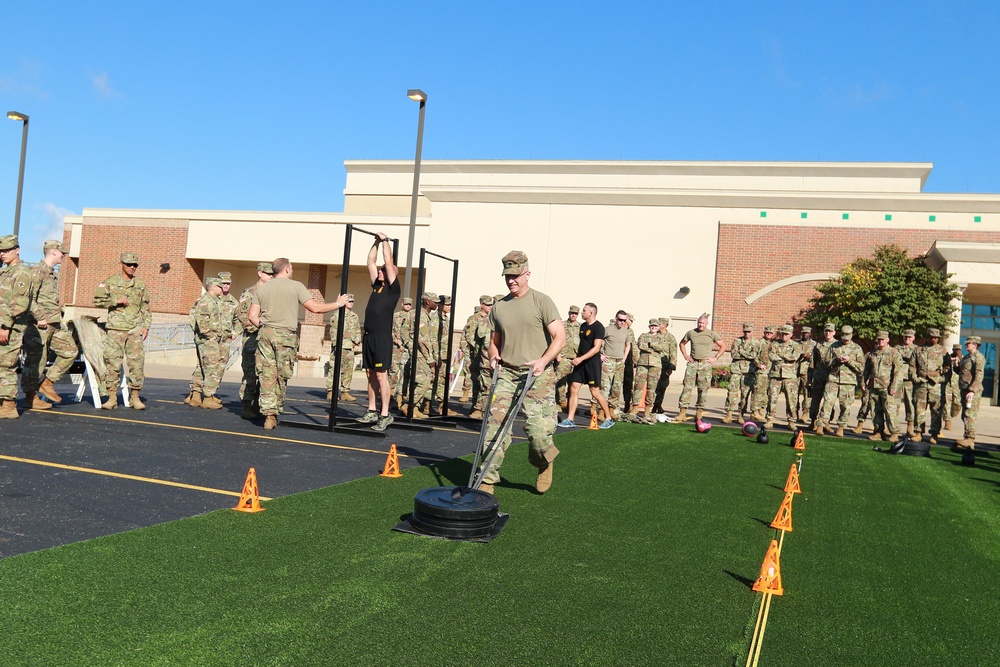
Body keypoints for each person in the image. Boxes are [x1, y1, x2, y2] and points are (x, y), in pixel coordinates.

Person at [476, 250, 565, 495]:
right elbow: (494, 340)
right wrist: (493, 356)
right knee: (494, 428)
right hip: (507, 375)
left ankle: (544, 462)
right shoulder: (499, 307)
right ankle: (487, 480)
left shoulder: (542, 301)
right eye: (507, 276)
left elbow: (560, 337)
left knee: (538, 433)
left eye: (516, 276)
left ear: (527, 274)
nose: (511, 280)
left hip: (538, 376)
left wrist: (544, 360)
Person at [248, 257, 350, 430]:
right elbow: (315, 308)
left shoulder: (262, 288)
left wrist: (267, 327)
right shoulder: (296, 286)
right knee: (281, 375)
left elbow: (252, 316)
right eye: (292, 268)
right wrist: (338, 304)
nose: (292, 270)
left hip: (265, 334)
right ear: (286, 269)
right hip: (285, 336)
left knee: (267, 374)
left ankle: (267, 412)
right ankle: (273, 415)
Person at [22, 240, 78, 410]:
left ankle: (47, 383)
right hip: (39, 325)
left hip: (54, 323)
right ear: (53, 252)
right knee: (36, 361)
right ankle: (31, 397)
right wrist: (39, 317)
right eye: (62, 253)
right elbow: (27, 298)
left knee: (70, 351)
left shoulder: (52, 274)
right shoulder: (37, 271)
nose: (64, 256)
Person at [94, 251, 151, 410]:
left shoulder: (140, 285)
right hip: (115, 330)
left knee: (137, 364)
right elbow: (97, 301)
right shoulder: (110, 282)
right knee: (112, 363)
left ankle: (135, 397)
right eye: (129, 264)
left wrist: (146, 326)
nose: (132, 267)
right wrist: (115, 301)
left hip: (134, 330)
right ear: (122, 264)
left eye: (135, 265)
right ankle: (112, 397)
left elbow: (146, 307)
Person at [355, 232, 400, 432]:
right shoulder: (376, 287)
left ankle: (385, 414)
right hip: (369, 337)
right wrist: (375, 242)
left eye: (384, 271)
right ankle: (371, 410)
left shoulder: (392, 289)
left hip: (382, 338)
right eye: (380, 271)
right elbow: (370, 262)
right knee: (370, 374)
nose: (380, 271)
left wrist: (385, 242)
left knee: (382, 376)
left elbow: (387, 261)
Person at [560, 303, 615, 429]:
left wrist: (581, 359)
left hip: (591, 363)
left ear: (591, 313)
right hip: (581, 363)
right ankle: (570, 419)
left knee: (594, 392)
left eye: (584, 311)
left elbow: (596, 348)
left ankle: (608, 418)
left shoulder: (598, 327)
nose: (581, 313)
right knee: (573, 388)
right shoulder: (583, 326)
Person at [235, 262, 274, 419]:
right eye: (268, 273)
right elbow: (244, 317)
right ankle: (246, 405)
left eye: (272, 274)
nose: (271, 276)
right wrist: (260, 327)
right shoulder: (250, 292)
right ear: (260, 273)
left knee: (264, 373)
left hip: (266, 338)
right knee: (250, 373)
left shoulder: (272, 292)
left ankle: (258, 405)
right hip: (253, 338)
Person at [0, 235, 33, 419]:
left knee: (6, 365)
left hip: (10, 327)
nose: (3, 254)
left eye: (7, 250)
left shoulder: (21, 273)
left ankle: (9, 405)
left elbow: (19, 304)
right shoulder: (6, 272)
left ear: (17, 250)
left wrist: (5, 326)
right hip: (3, 325)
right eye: (1, 251)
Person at [814, 325, 865, 437]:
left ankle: (841, 427)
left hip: (848, 382)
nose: (845, 338)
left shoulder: (857, 348)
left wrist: (849, 361)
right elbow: (826, 362)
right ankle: (821, 425)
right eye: (843, 336)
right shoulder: (833, 346)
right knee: (827, 403)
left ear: (851, 335)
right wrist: (836, 360)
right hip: (833, 379)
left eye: (847, 336)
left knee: (845, 406)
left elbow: (861, 367)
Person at [186, 278, 227, 409]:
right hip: (208, 340)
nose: (222, 289)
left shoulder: (212, 301)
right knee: (211, 368)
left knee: (205, 367)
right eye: (220, 287)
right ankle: (208, 398)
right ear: (213, 288)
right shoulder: (205, 302)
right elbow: (200, 322)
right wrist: (211, 336)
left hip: (209, 339)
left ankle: (199, 395)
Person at [676, 313, 724, 423]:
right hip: (693, 363)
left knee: (703, 389)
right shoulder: (691, 333)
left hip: (705, 365)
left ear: (707, 324)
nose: (701, 325)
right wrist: (686, 355)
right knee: (687, 387)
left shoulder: (712, 334)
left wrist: (715, 357)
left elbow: (723, 346)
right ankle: (682, 412)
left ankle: (699, 413)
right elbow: (682, 343)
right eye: (699, 323)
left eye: (703, 323)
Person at [864, 331, 905, 443]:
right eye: (879, 339)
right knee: (875, 410)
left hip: (887, 387)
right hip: (874, 386)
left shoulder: (893, 353)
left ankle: (895, 433)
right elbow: (867, 370)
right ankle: (878, 431)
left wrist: (894, 386)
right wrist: (863, 383)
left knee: (889, 410)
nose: (881, 341)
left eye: (883, 339)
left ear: (887, 340)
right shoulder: (873, 354)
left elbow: (898, 372)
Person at [913, 327, 948, 444]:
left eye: (937, 337)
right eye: (933, 337)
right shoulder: (918, 350)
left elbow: (948, 368)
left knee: (936, 410)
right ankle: (918, 433)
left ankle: (934, 434)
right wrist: (915, 378)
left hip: (935, 385)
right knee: (919, 409)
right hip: (921, 384)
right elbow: (912, 366)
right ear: (927, 337)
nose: (935, 339)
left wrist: (942, 379)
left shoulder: (943, 351)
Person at [409, 291, 440, 419]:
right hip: (421, 354)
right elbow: (422, 340)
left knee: (423, 381)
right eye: (435, 301)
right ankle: (409, 405)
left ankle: (414, 408)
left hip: (424, 354)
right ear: (428, 302)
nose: (437, 304)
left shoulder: (427, 316)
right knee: (424, 382)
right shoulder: (421, 316)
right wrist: (429, 358)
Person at [766, 325, 802, 430]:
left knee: (791, 400)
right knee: (772, 398)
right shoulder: (775, 343)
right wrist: (784, 356)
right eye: (782, 334)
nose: (784, 336)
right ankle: (769, 419)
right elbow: (771, 356)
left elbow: (794, 357)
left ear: (791, 335)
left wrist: (780, 356)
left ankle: (791, 421)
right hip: (775, 375)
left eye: (786, 334)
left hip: (789, 377)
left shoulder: (796, 345)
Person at [630, 318, 667, 421]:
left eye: (655, 326)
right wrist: (651, 348)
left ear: (658, 327)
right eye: (651, 326)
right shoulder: (643, 335)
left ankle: (647, 410)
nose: (653, 328)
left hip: (655, 365)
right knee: (638, 386)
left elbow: (662, 347)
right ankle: (635, 408)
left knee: (651, 388)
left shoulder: (661, 337)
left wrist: (651, 345)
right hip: (642, 363)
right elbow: (640, 344)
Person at [325, 293, 360, 401]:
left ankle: (345, 392)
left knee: (348, 370)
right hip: (340, 346)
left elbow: (357, 330)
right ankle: (331, 391)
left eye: (352, 301)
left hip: (349, 347)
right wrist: (336, 344)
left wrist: (356, 341)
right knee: (334, 369)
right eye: (349, 301)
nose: (351, 303)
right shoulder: (337, 314)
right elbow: (333, 330)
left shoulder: (355, 316)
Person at [599, 309, 632, 419]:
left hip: (619, 362)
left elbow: (628, 345)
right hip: (608, 361)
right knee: (605, 387)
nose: (622, 322)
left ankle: (611, 409)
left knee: (616, 388)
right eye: (620, 320)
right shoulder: (607, 330)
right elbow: (597, 341)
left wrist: (624, 358)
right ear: (615, 319)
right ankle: (601, 411)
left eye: (624, 320)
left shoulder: (626, 332)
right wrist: (601, 355)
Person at [956, 336, 986, 450]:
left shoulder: (978, 357)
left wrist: (972, 390)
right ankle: (966, 438)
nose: (966, 345)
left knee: (970, 414)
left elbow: (979, 376)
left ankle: (970, 439)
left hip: (972, 391)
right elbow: (962, 372)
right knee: (965, 414)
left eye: (969, 343)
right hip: (964, 389)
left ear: (975, 345)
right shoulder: (967, 357)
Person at [468, 295, 495, 420]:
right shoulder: (478, 320)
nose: (491, 307)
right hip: (482, 360)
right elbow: (473, 339)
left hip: (497, 362)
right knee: (481, 385)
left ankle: (489, 413)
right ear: (481, 304)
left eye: (492, 304)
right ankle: (478, 409)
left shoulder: (500, 320)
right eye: (488, 304)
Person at [723, 322, 756, 424]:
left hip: (748, 372)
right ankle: (729, 415)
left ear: (752, 332)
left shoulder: (756, 343)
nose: (746, 334)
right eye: (745, 332)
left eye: (749, 332)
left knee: (745, 395)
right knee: (731, 392)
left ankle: (741, 415)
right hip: (736, 371)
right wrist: (746, 355)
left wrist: (741, 352)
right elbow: (733, 354)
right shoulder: (737, 341)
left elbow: (753, 356)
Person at [808, 323, 837, 431]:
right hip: (819, 377)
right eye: (826, 331)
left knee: (829, 402)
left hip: (831, 378)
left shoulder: (837, 345)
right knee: (815, 400)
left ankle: (826, 423)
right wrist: (809, 378)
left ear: (834, 332)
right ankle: (813, 421)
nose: (828, 333)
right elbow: (813, 362)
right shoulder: (818, 345)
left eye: (830, 331)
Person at [555, 305, 581, 410]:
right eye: (571, 313)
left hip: (576, 358)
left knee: (573, 383)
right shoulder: (563, 325)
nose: (573, 315)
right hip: (564, 357)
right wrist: (557, 354)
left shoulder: (580, 327)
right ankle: (560, 402)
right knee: (560, 382)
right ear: (569, 313)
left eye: (575, 313)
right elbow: (556, 339)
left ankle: (570, 403)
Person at [390, 296, 414, 407]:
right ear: (402, 305)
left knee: (406, 373)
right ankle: (389, 395)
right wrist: (396, 341)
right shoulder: (395, 316)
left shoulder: (413, 316)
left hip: (407, 348)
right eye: (406, 304)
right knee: (393, 371)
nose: (408, 306)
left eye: (410, 304)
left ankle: (402, 396)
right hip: (396, 347)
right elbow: (390, 330)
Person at [651, 317, 678, 413]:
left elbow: (673, 353)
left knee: (662, 386)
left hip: (665, 365)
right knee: (653, 386)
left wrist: (671, 366)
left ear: (665, 325)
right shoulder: (654, 335)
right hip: (654, 364)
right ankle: (652, 405)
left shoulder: (670, 338)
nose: (657, 326)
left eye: (660, 324)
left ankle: (658, 405)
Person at [896, 329, 918, 437]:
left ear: (913, 338)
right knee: (894, 405)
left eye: (910, 337)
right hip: (898, 380)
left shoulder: (917, 349)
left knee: (910, 405)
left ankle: (910, 427)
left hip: (910, 381)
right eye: (906, 337)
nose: (907, 339)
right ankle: (893, 427)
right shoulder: (896, 348)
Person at [796, 326, 815, 417]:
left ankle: (805, 412)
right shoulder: (796, 343)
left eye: (807, 333)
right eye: (803, 333)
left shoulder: (814, 345)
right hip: (795, 372)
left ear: (810, 334)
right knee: (793, 394)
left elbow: (817, 358)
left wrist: (809, 356)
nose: (805, 334)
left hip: (807, 372)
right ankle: (794, 412)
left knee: (807, 394)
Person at [944, 343, 963, 430]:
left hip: (957, 384)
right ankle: (948, 421)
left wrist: (958, 362)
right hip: (948, 383)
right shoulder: (947, 357)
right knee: (947, 403)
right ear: (953, 350)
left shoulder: (963, 359)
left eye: (959, 350)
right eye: (956, 349)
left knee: (957, 403)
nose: (957, 351)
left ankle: (952, 415)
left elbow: (963, 371)